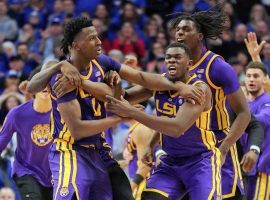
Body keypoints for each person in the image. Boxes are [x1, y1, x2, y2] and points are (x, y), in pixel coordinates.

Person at [26, 17, 204, 200]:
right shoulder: (61, 78)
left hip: (99, 149)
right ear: (76, 45)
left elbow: (140, 78)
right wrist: (119, 118)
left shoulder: (101, 63)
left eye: (98, 36)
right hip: (70, 149)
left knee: (124, 195)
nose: (99, 41)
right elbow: (77, 130)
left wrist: (179, 86)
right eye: (92, 38)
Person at [107, 42, 221, 200]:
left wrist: (132, 111)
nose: (171, 61)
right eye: (168, 58)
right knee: (150, 197)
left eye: (177, 57)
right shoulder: (158, 84)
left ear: (189, 64)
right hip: (171, 160)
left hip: (200, 160)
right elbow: (123, 99)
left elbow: (176, 128)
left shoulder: (198, 89)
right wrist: (118, 82)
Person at [170, 10, 251, 199]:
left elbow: (244, 113)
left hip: (217, 144)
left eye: (185, 29)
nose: (179, 33)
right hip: (188, 148)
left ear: (199, 36)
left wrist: (223, 150)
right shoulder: (176, 67)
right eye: (177, 29)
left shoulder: (217, 66)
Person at [0, 66, 53, 200]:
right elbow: (2, 141)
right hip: (26, 170)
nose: (45, 86)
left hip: (54, 173)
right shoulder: (17, 114)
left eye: (48, 81)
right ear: (33, 86)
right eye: (40, 81)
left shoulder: (63, 112)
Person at [124, 120, 155, 199]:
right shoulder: (134, 128)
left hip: (143, 183)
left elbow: (146, 165)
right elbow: (133, 160)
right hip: (139, 182)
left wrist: (129, 189)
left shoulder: (141, 129)